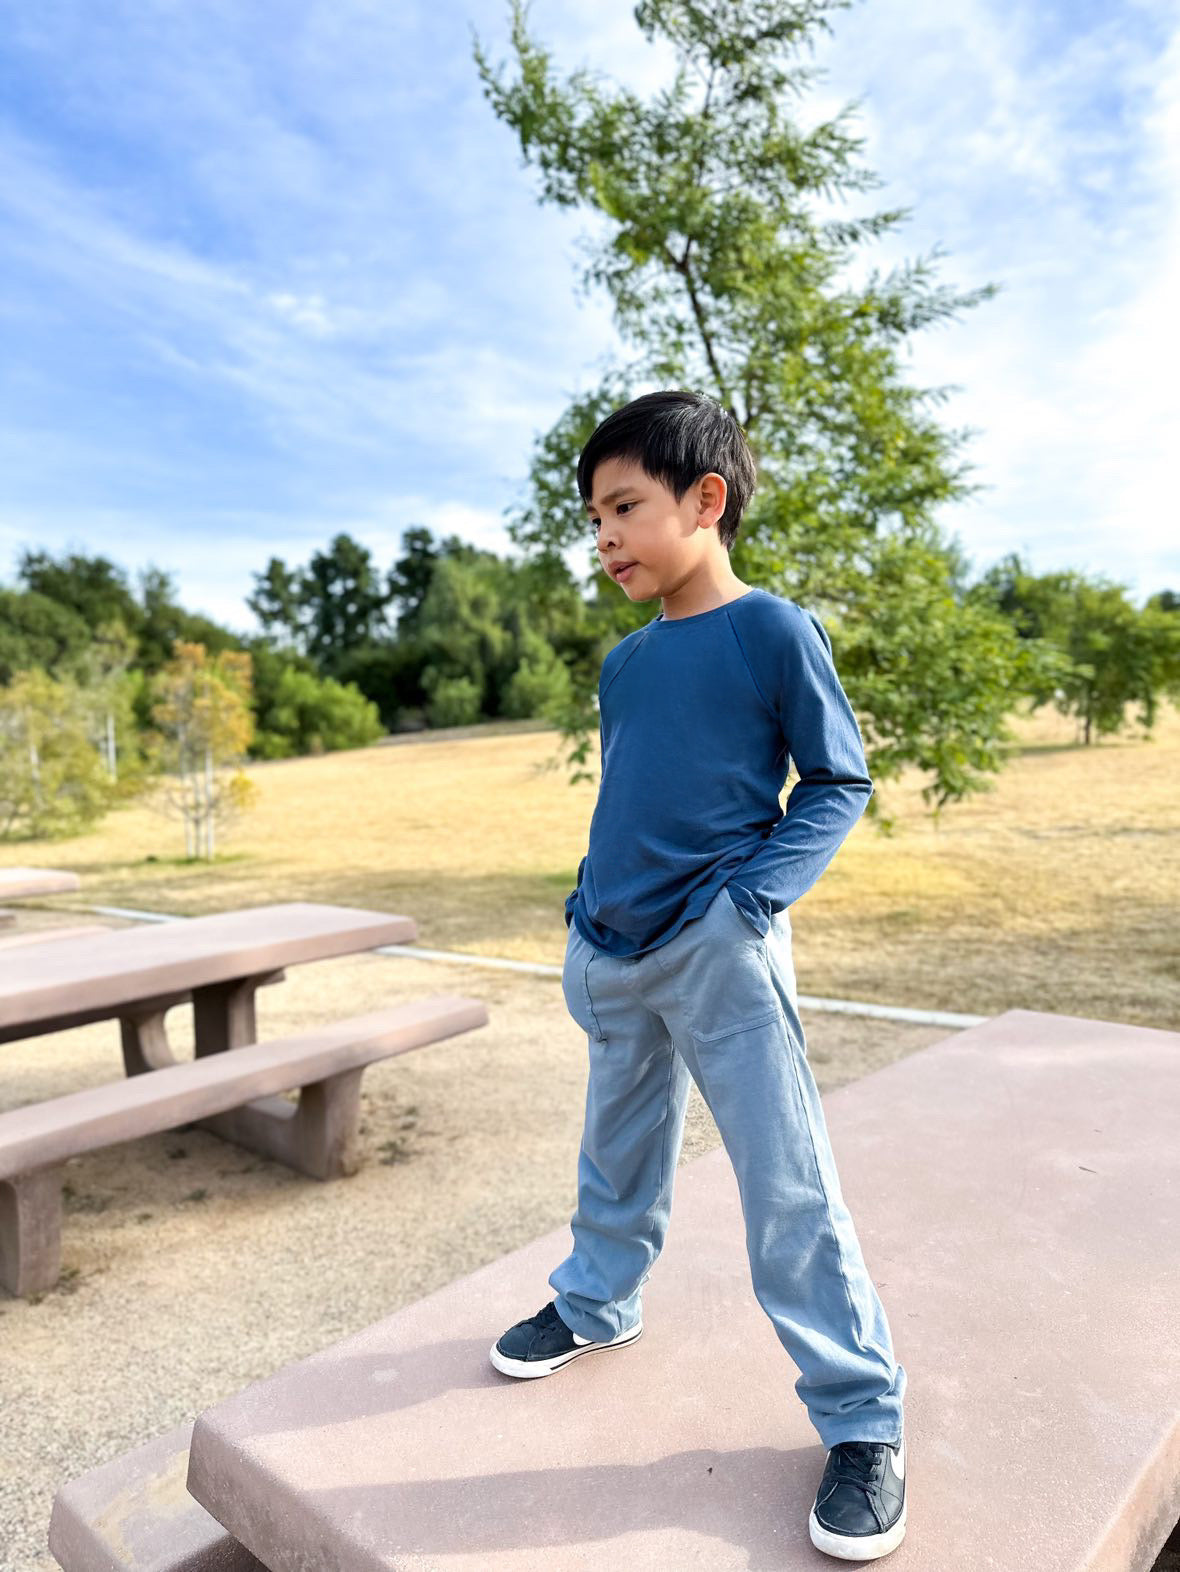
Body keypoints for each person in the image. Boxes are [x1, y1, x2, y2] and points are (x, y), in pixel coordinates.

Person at [488, 389, 908, 1561]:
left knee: (786, 1190)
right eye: (594, 516)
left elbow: (836, 783)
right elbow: (629, 790)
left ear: (704, 500)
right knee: (614, 1156)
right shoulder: (626, 663)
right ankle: (596, 1303)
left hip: (720, 955)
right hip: (613, 952)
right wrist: (586, 904)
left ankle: (862, 1422)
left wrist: (748, 904)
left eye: (624, 506)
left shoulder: (773, 630)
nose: (604, 536)